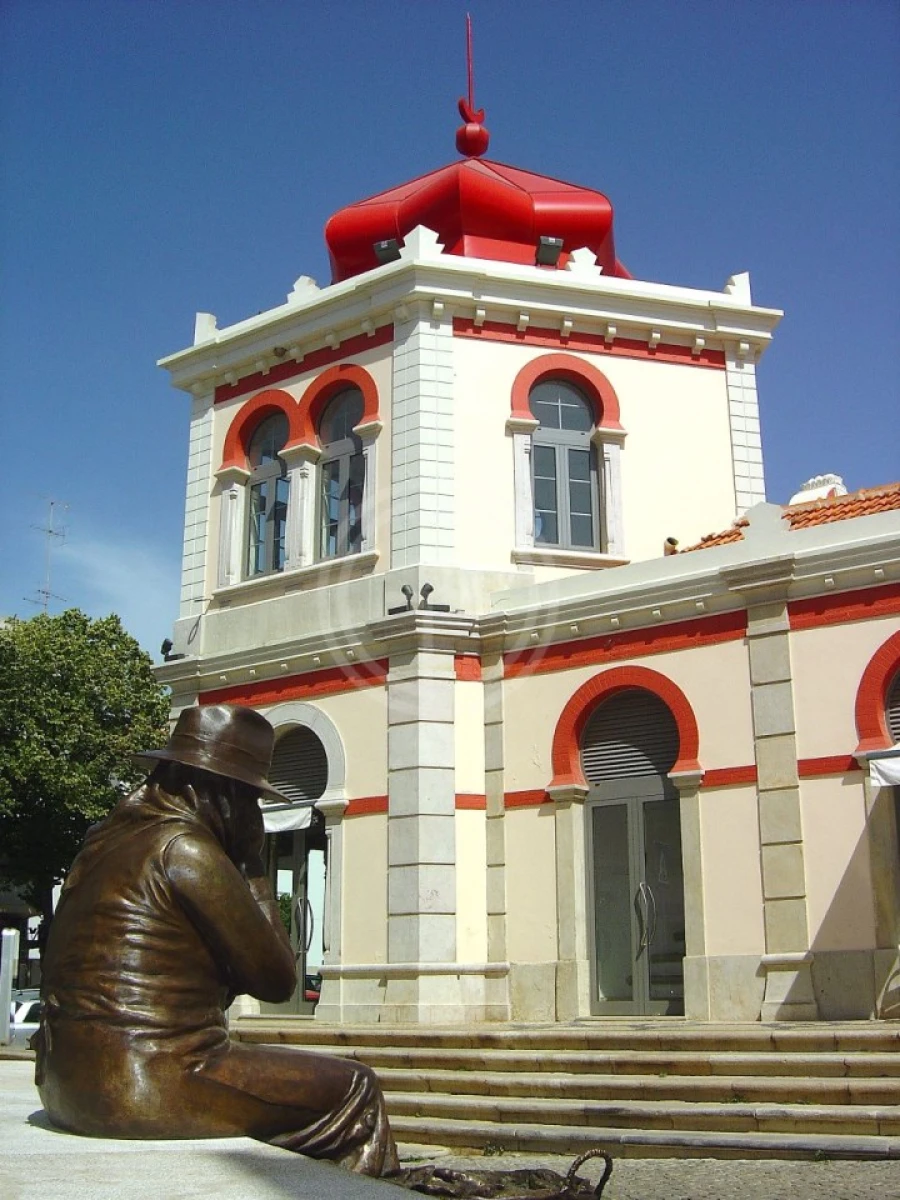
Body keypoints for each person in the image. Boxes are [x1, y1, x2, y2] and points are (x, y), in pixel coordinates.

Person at [35, 703, 399, 1178]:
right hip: (147, 1080)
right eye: (249, 798)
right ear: (223, 792)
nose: (252, 812)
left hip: (63, 1083)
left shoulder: (101, 842)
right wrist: (251, 866)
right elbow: (275, 980)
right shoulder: (186, 849)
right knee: (357, 1089)